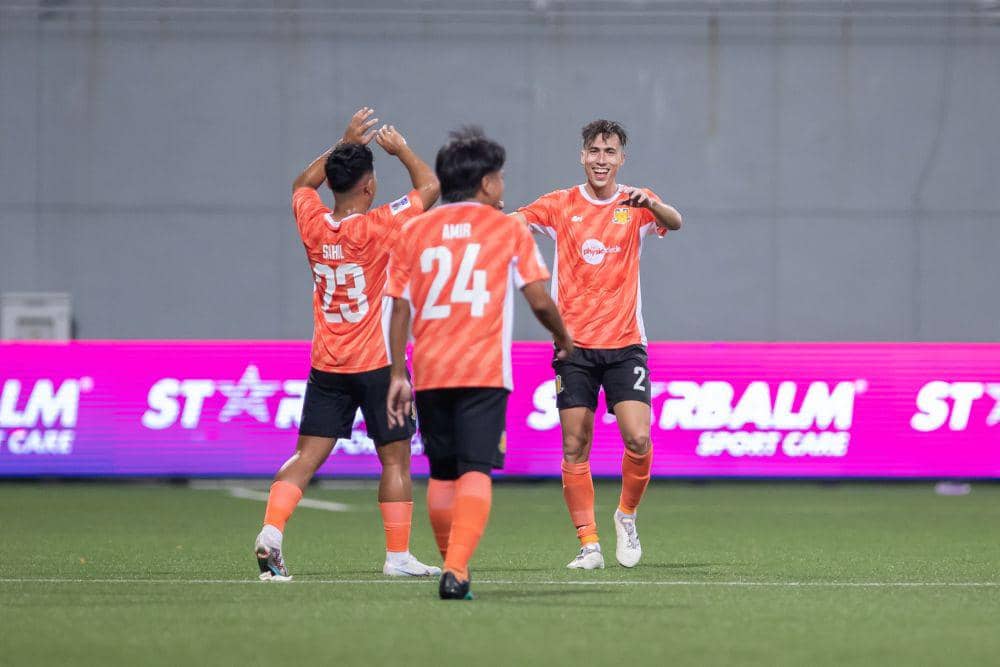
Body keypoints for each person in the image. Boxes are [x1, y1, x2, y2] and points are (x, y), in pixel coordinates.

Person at [254, 108, 442, 581]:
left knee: (306, 456)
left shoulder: (313, 222)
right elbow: (430, 188)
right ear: (368, 186)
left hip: (328, 362)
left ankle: (272, 533)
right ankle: (397, 556)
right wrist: (401, 152)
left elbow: (301, 183)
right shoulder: (378, 225)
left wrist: (341, 142)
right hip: (378, 363)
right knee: (395, 457)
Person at [385, 127, 573, 600]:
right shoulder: (507, 228)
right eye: (500, 178)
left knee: (442, 473)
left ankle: (454, 567)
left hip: (428, 370)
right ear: (486, 183)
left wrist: (395, 372)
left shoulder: (413, 229)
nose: (503, 186)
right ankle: (457, 567)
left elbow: (399, 307)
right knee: (475, 471)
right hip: (483, 371)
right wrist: (563, 336)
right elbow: (538, 298)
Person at [509, 119, 682, 570]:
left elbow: (676, 222)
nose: (601, 159)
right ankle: (589, 545)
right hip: (575, 348)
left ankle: (626, 515)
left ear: (621, 158)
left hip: (626, 344)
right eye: (594, 151)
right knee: (574, 447)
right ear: (582, 156)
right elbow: (515, 222)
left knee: (639, 438)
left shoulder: (636, 202)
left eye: (610, 152)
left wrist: (654, 207)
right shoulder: (561, 204)